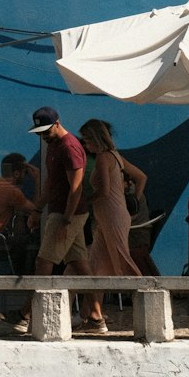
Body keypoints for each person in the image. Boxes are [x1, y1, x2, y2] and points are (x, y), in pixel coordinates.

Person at [6, 107, 90, 336]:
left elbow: (76, 189)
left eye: (45, 130)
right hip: (60, 210)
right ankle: (96, 316)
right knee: (81, 267)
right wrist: (37, 210)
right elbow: (52, 184)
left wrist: (66, 220)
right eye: (38, 131)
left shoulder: (70, 148)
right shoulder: (53, 147)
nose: (41, 135)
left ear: (56, 123)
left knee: (43, 263)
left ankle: (25, 315)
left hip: (66, 213)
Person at [78, 119, 145, 334]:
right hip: (112, 216)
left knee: (122, 263)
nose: (85, 145)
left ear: (95, 139)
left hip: (111, 216)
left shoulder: (103, 158)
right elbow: (142, 178)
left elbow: (104, 191)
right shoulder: (116, 156)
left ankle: (151, 298)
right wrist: (133, 200)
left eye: (86, 140)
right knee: (97, 267)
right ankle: (92, 318)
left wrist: (85, 201)